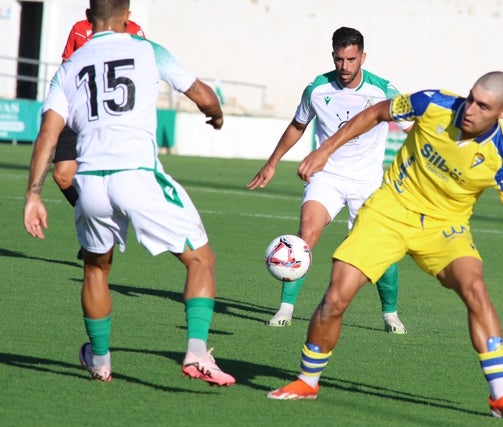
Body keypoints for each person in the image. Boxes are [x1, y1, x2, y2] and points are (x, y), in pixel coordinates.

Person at [267, 71, 503, 423]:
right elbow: (376, 113)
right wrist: (325, 150)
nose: (470, 109)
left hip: (445, 229)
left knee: (475, 289)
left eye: (483, 106)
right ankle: (307, 381)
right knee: (336, 297)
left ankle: (501, 396)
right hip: (388, 212)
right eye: (470, 97)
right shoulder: (433, 103)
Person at [23, 0, 234, 386]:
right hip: (138, 175)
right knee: (201, 260)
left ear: (89, 18)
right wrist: (216, 115)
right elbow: (202, 95)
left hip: (90, 182)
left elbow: (48, 135)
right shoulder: (147, 49)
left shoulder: (69, 68)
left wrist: (33, 196)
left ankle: (100, 361)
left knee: (95, 268)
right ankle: (197, 352)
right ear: (128, 17)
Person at [247, 27, 410, 333]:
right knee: (306, 234)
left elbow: (412, 128)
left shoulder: (383, 91)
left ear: (362, 56)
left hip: (368, 182)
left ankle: (390, 314)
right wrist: (272, 162)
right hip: (327, 177)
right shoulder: (317, 89)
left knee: (380, 248)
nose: (345, 67)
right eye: (339, 59)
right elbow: (297, 125)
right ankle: (285, 308)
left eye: (351, 59)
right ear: (332, 55)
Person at [53, 14, 146, 260]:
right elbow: (66, 68)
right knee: (62, 175)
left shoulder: (134, 32)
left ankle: (98, 236)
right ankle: (99, 224)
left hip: (110, 118)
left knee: (110, 180)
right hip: (76, 110)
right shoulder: (79, 29)